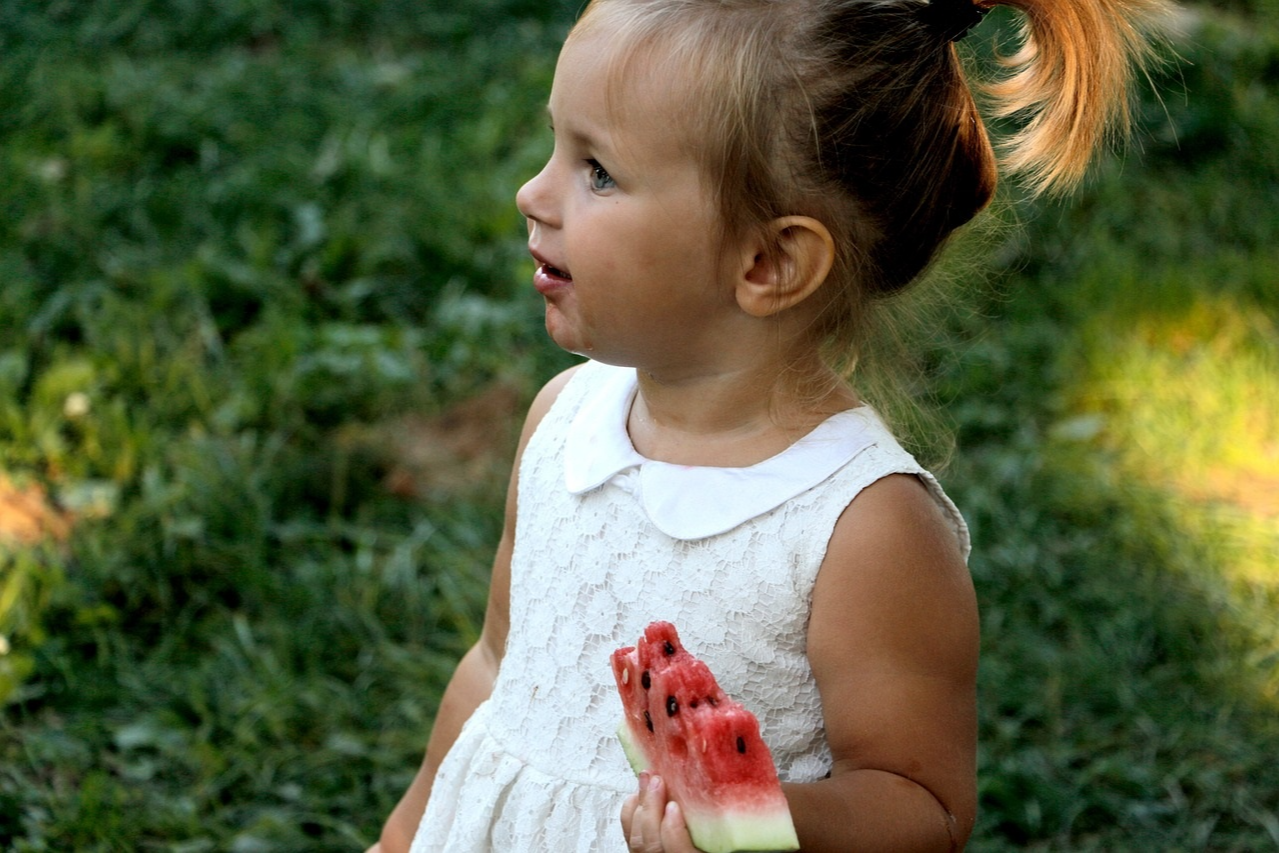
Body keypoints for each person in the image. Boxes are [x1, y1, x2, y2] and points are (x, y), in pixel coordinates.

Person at [369, 0, 1167, 849]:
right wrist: (404, 834)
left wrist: (746, 817)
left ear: (768, 262)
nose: (531, 193)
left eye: (596, 172)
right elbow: (495, 667)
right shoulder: (560, 422)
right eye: (555, 147)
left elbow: (922, 803)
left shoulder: (863, 527)